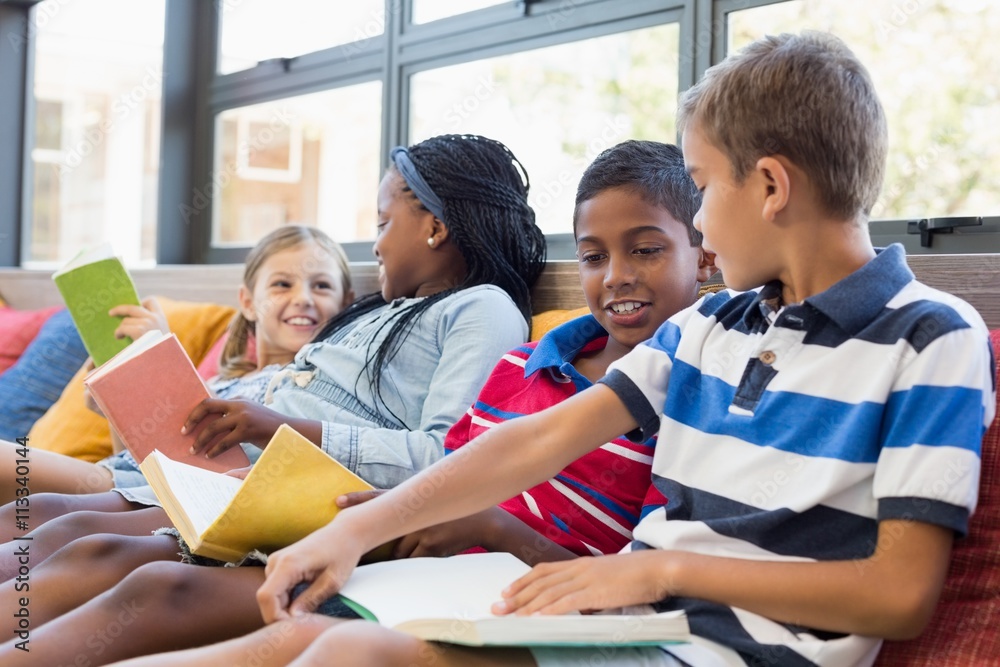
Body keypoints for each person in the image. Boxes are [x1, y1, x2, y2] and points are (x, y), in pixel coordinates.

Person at [245, 31, 993, 667]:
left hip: (717, 651)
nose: (698, 220)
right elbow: (535, 440)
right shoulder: (710, 326)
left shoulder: (931, 337)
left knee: (352, 652)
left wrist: (655, 571)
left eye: (700, 187)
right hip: (632, 627)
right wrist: (355, 529)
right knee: (307, 633)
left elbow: (900, 592)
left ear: (769, 186)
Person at [104, 139, 719, 667]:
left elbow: (638, 583)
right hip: (411, 567)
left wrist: (488, 526)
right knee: (159, 578)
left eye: (645, 250)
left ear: (705, 256)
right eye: (592, 256)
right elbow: (444, 478)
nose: (614, 275)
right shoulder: (518, 368)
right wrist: (386, 517)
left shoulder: (694, 398)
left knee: (305, 636)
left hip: (521, 601)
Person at [0, 133, 546, 664]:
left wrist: (276, 427)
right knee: (54, 516)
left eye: (382, 223)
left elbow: (448, 461)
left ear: (434, 226)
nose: (376, 243)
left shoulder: (483, 308)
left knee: (95, 546)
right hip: (224, 480)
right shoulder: (377, 314)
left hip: (291, 502)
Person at [0, 224, 353, 567]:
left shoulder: (303, 389)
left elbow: (228, 461)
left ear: (346, 302)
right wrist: (116, 407)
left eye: (321, 285)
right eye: (282, 284)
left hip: (164, 495)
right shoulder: (224, 380)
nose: (303, 298)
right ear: (247, 301)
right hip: (127, 481)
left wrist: (162, 359)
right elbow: (131, 457)